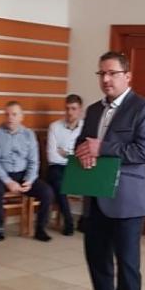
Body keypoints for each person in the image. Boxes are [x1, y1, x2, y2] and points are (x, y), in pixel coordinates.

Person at [73, 51, 145, 290]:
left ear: (127, 76)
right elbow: (83, 143)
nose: (106, 79)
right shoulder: (94, 110)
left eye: (112, 73)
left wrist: (103, 148)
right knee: (98, 263)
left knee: (128, 267)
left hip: (127, 202)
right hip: (95, 197)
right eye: (101, 74)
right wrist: (83, 151)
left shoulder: (143, 108)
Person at [0, 100, 53, 242]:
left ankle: (40, 229)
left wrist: (29, 180)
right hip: (2, 174)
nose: (10, 118)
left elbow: (34, 161)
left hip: (23, 174)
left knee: (47, 192)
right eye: (7, 114)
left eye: (14, 114)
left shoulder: (29, 134)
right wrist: (8, 181)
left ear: (21, 117)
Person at [46, 93, 84, 235]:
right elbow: (52, 156)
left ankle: (86, 220)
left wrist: (66, 153)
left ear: (80, 110)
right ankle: (68, 221)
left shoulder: (86, 127)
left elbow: (86, 153)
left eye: (73, 109)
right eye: (67, 108)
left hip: (78, 166)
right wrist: (73, 154)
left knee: (94, 180)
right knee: (58, 181)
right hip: (57, 167)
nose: (70, 112)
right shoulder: (54, 127)